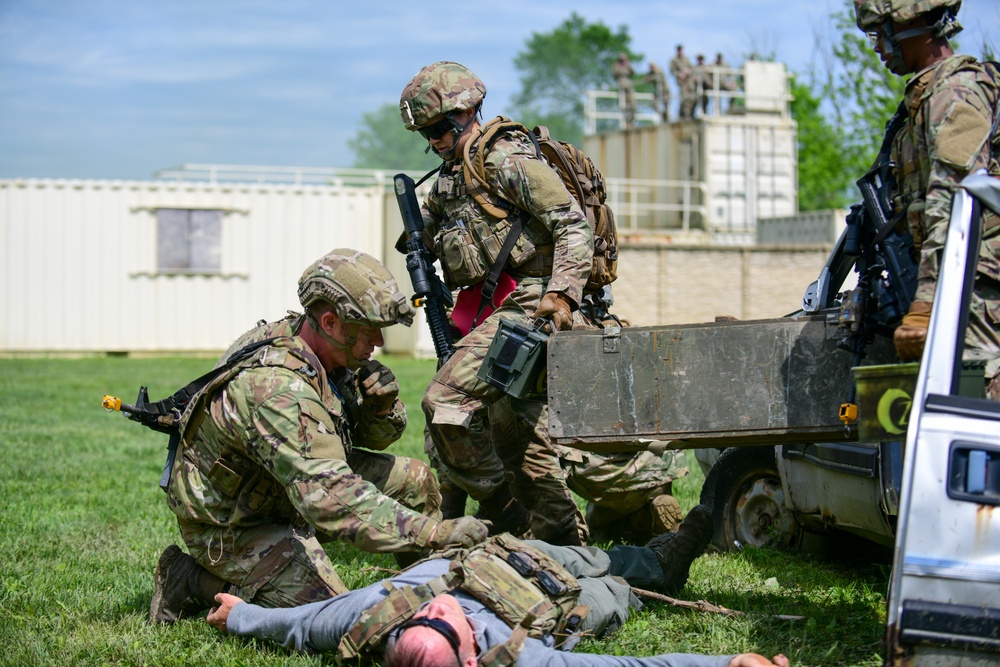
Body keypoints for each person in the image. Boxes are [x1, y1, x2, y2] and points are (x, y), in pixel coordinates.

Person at [149, 248, 490, 623]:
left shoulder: (319, 347)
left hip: (278, 487)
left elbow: (357, 443)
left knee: (415, 481)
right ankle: (190, 580)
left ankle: (426, 592)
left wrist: (379, 407)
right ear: (330, 322)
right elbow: (332, 500)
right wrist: (433, 533)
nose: (377, 340)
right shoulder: (278, 390)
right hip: (233, 524)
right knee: (336, 619)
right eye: (369, 327)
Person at [398, 60, 595, 546]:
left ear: (466, 115)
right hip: (487, 310)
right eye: (427, 135)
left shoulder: (505, 160)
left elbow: (573, 225)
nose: (434, 143)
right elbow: (424, 230)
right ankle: (559, 542)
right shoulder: (451, 174)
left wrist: (561, 293)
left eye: (439, 130)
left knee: (445, 402)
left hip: (531, 306)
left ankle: (504, 511)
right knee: (515, 437)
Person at [206, 506, 787, 666]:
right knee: (616, 590)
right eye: (446, 623)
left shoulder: (372, 617)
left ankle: (649, 556)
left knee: (600, 555)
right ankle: (661, 566)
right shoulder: (518, 658)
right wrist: (729, 661)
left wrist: (237, 615)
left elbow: (301, 625)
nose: (438, 608)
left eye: (423, 617)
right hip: (563, 602)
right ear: (469, 658)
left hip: (511, 556)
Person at [855, 0, 1000, 397]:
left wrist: (925, 304)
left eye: (878, 33)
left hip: (975, 290)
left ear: (911, 24)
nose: (877, 47)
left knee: (976, 408)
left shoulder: (956, 91)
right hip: (953, 286)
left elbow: (953, 201)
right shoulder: (922, 99)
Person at [670, 45, 696, 120]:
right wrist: (679, 74)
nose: (680, 51)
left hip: (689, 81)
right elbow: (672, 71)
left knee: (692, 97)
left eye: (681, 50)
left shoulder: (686, 59)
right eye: (679, 50)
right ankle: (683, 114)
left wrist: (688, 72)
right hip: (681, 82)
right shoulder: (674, 60)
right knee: (684, 97)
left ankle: (689, 114)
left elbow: (691, 68)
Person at [614, 52, 638, 128]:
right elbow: (614, 75)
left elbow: (633, 72)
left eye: (624, 60)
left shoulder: (628, 65)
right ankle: (625, 122)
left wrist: (628, 65)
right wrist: (618, 67)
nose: (623, 61)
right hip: (621, 85)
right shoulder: (617, 66)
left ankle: (631, 121)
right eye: (621, 60)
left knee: (632, 104)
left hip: (629, 85)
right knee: (623, 105)